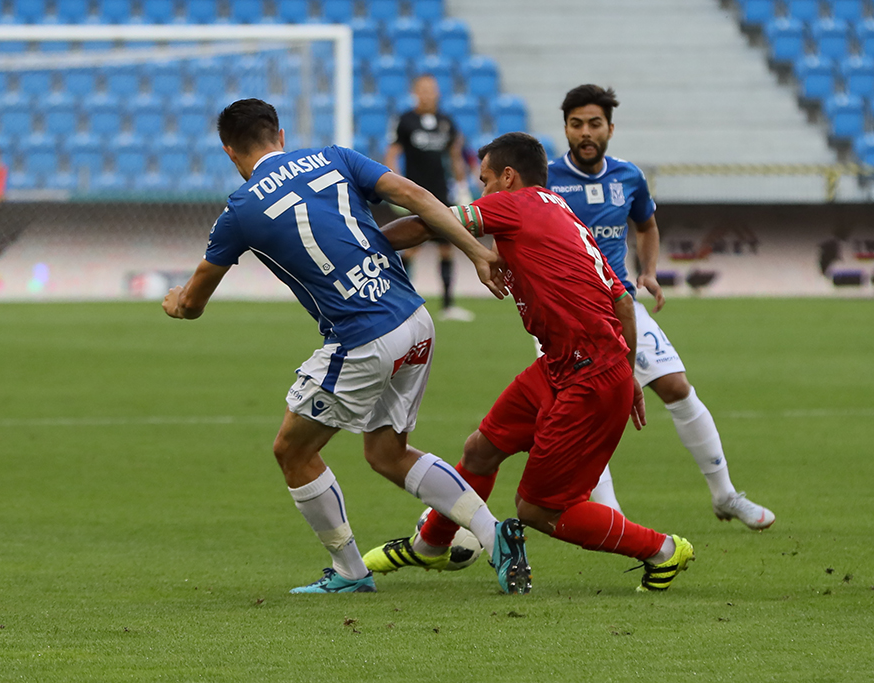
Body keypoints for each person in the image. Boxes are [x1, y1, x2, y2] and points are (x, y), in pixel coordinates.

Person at [161, 99, 530, 595]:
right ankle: (495, 534)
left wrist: (176, 302)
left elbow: (193, 303)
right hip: (415, 320)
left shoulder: (240, 210)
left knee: (293, 450)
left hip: (363, 338)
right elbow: (417, 196)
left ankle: (351, 572)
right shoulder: (334, 157)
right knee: (386, 452)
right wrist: (476, 252)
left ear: (229, 151)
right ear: (281, 135)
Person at [363, 132, 695, 593]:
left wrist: (361, 250)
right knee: (480, 450)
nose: (481, 191)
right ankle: (431, 545)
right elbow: (621, 299)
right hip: (567, 365)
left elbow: (429, 222)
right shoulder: (560, 210)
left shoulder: (514, 204)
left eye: (484, 181)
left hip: (589, 375)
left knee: (538, 508)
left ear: (508, 177)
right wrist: (630, 374)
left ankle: (662, 550)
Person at [547, 84, 775, 530]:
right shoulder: (548, 179)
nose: (586, 132)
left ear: (610, 128)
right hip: (564, 319)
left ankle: (725, 494)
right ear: (566, 130)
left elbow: (647, 226)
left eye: (594, 124)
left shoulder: (628, 176)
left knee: (677, 387)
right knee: (586, 410)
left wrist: (648, 270)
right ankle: (612, 518)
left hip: (621, 308)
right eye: (576, 124)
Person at [385, 74, 475, 322]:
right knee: (412, 247)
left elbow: (455, 155)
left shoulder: (446, 122)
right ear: (415, 92)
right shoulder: (405, 120)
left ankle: (447, 305)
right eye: (422, 89)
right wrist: (394, 185)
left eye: (431, 89)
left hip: (441, 194)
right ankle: (399, 300)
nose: (427, 94)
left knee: (446, 248)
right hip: (415, 194)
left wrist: (461, 186)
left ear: (437, 92)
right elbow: (392, 153)